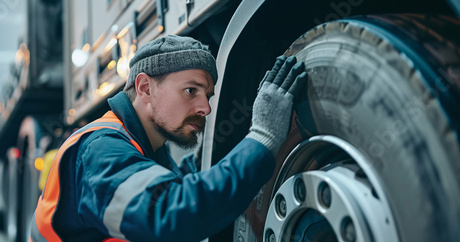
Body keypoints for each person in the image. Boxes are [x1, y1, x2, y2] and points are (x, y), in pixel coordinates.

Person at [31, 35, 306, 242]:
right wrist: (263, 138)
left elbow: (165, 187)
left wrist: (205, 161)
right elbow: (167, 214)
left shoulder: (143, 146)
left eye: (207, 96)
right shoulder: (100, 149)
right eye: (190, 91)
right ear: (145, 88)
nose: (206, 108)